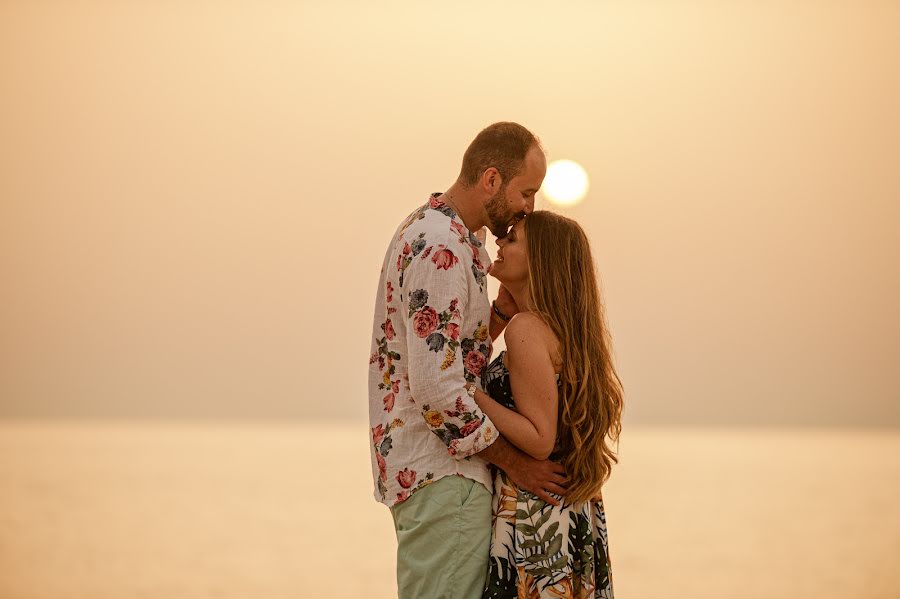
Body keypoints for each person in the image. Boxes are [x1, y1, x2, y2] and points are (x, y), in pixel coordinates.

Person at [367, 122, 567, 598]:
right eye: (526, 192)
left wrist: (495, 315)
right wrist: (515, 463)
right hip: (445, 474)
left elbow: (445, 357)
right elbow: (438, 391)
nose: (529, 208)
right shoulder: (443, 248)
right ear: (492, 180)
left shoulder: (444, 235)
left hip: (434, 473)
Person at [473, 212, 623, 598]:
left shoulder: (527, 329)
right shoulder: (560, 331)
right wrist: (501, 316)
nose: (500, 243)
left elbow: (540, 438)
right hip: (568, 514)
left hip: (534, 516)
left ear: (540, 260)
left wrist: (471, 396)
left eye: (514, 240)